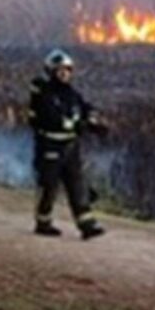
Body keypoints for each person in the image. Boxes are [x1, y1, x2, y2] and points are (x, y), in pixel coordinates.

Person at [28, 49, 108, 239]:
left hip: (70, 148)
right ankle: (43, 222)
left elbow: (84, 107)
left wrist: (93, 120)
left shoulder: (71, 93)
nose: (64, 74)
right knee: (49, 187)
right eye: (60, 70)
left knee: (77, 185)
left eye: (67, 70)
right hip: (50, 147)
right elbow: (50, 118)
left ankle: (86, 225)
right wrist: (76, 124)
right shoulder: (44, 94)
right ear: (51, 71)